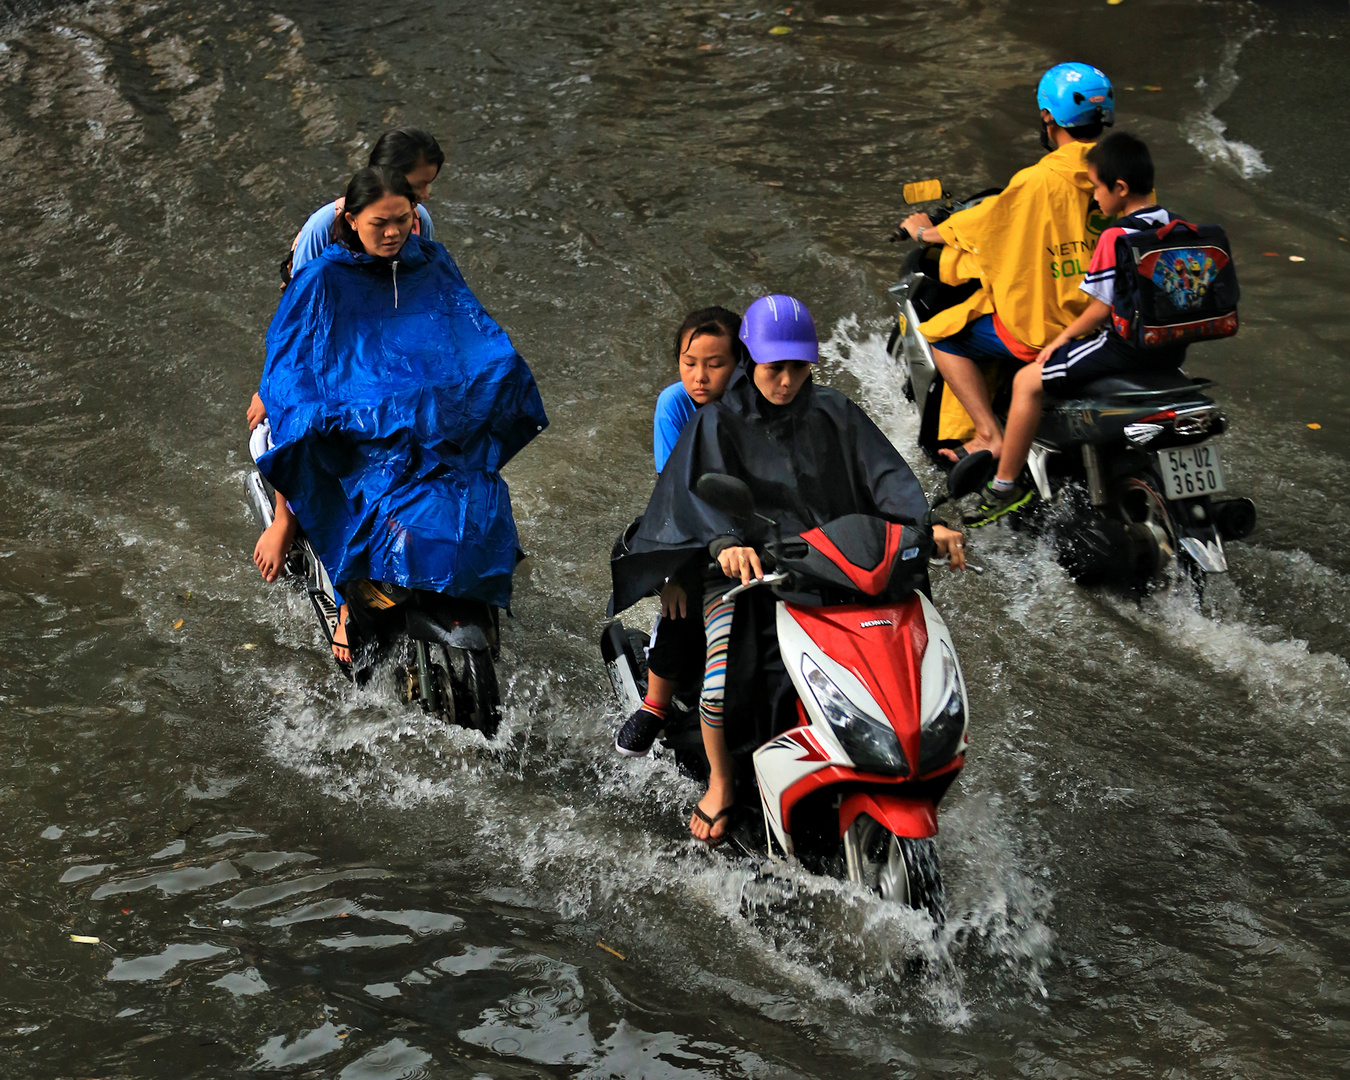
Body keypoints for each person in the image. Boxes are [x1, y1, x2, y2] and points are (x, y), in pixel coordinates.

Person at [610, 295, 966, 845]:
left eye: (797, 367)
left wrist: (925, 523)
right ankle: (724, 783)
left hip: (834, 565)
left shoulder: (835, 410)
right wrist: (725, 541)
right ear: (752, 360)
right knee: (722, 683)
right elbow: (692, 492)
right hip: (748, 573)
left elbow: (884, 474)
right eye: (775, 368)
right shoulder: (717, 420)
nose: (785, 380)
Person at [254, 165, 547, 663]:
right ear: (350, 219)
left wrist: (496, 371)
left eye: (403, 221)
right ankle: (349, 599)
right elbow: (295, 366)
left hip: (423, 421)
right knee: (310, 439)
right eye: (378, 224)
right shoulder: (321, 277)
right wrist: (337, 407)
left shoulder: (429, 261)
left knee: (480, 495)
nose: (392, 233)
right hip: (353, 422)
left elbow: (468, 333)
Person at [899, 63, 1116, 463]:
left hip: (1050, 325)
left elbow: (985, 225)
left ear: (1048, 117)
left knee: (942, 333)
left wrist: (923, 233)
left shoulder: (1037, 181)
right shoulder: (1123, 172)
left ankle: (987, 434)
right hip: (1110, 321)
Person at [966, 133, 1181, 526]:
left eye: (1097, 188)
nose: (1095, 198)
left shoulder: (1115, 236)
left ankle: (1004, 486)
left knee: (1028, 382)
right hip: (1170, 349)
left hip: (1124, 347)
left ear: (1120, 188)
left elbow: (1099, 310)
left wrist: (1061, 340)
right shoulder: (1174, 225)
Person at [247, 128, 447, 436]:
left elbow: (425, 296)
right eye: (420, 185)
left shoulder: (419, 222)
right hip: (332, 346)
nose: (426, 195)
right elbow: (295, 318)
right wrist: (269, 386)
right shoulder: (324, 229)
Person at [614, 306, 743, 757]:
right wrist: (673, 574)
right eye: (690, 364)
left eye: (715, 364)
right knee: (681, 606)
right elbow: (675, 490)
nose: (700, 377)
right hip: (689, 526)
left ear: (740, 362)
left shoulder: (751, 403)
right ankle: (655, 704)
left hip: (748, 530)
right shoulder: (675, 404)